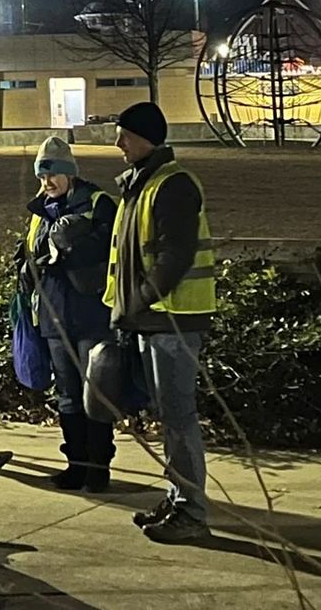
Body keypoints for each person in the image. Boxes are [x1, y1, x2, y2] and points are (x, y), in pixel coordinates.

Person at [103, 101, 215, 545]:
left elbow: (175, 255)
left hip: (173, 319)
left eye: (124, 135)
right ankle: (179, 498)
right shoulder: (143, 184)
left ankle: (191, 510)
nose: (118, 143)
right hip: (155, 321)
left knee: (178, 417)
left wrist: (142, 299)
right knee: (170, 416)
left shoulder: (170, 185)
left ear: (147, 138)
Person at [20, 135, 120, 492]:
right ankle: (75, 464)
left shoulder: (98, 204)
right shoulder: (40, 211)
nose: (48, 182)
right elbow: (31, 255)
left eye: (54, 175)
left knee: (95, 393)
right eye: (43, 176)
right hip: (53, 315)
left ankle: (99, 467)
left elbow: (111, 249)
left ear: (71, 174)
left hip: (90, 315)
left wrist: (69, 250)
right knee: (67, 395)